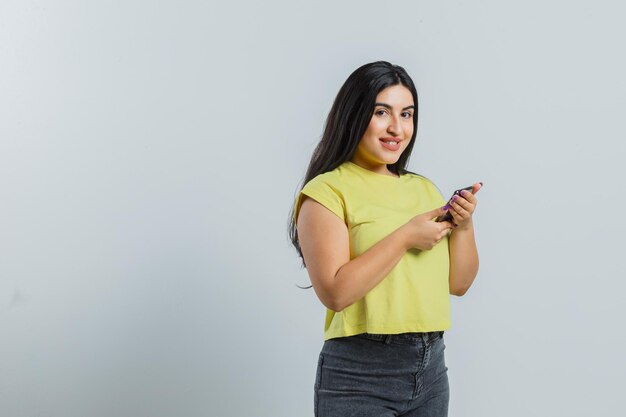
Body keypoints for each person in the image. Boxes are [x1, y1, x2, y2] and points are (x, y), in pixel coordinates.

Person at [288, 61, 481, 417]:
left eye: (407, 114)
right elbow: (335, 293)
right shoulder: (326, 192)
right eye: (382, 112)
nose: (397, 127)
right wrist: (406, 235)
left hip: (431, 368)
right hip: (360, 374)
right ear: (354, 114)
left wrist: (464, 226)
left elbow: (458, 284)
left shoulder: (423, 189)